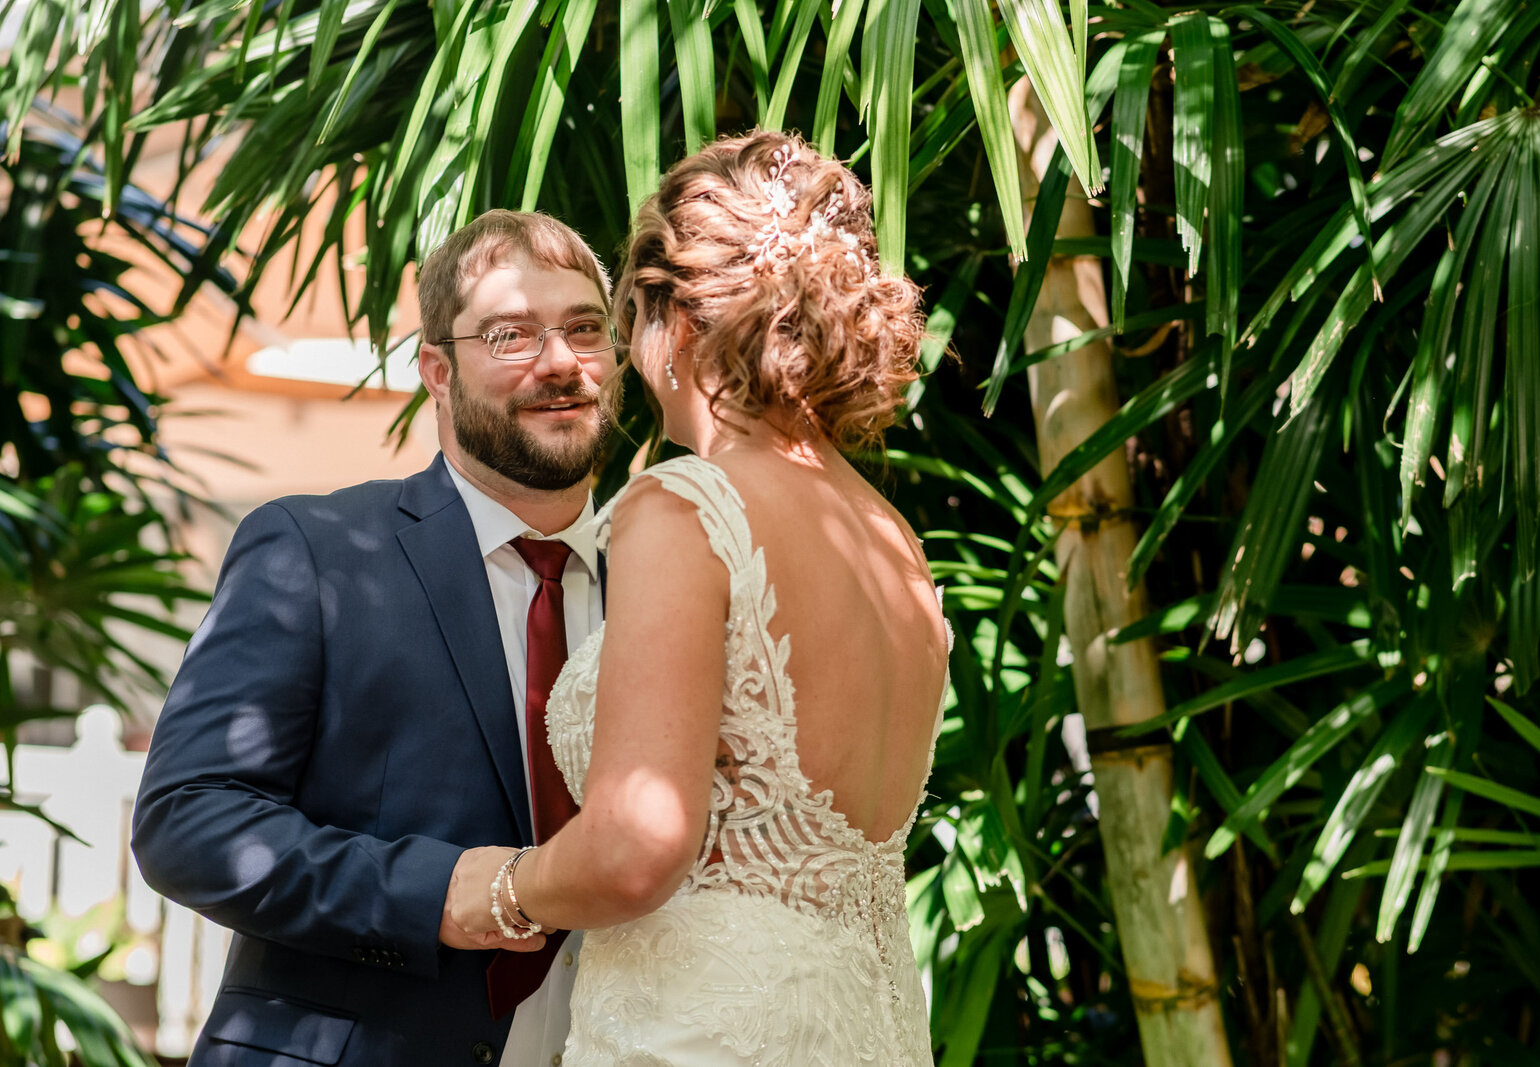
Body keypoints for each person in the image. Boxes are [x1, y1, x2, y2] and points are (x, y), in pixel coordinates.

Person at [450, 131, 948, 1064]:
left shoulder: (688, 506)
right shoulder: (888, 534)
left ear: (672, 322)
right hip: (867, 1022)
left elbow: (638, 844)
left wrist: (499, 889)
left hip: (705, 1031)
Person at [132, 209, 620, 1064]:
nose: (559, 362)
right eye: (511, 334)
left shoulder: (662, 579)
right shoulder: (313, 549)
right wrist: (438, 894)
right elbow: (186, 819)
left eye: (585, 328)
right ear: (436, 369)